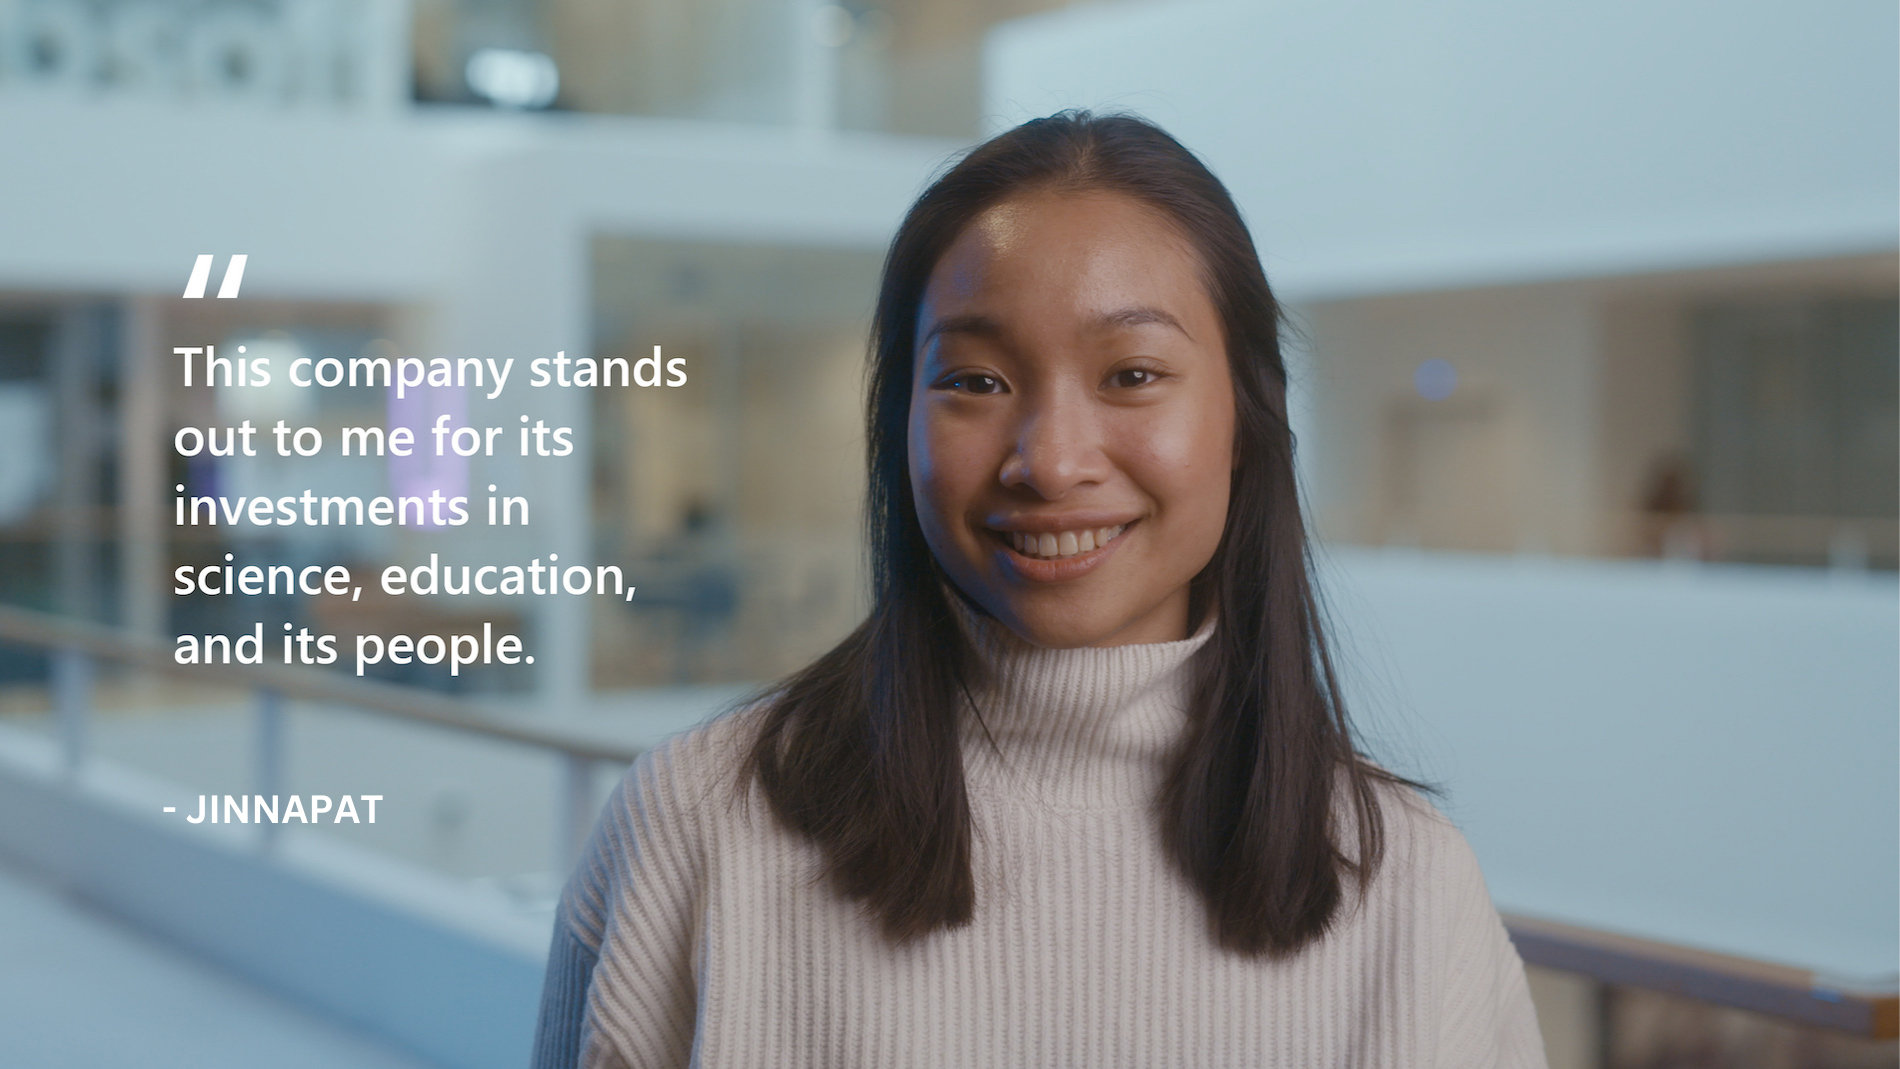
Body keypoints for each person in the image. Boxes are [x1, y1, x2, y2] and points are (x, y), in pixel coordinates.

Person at [531, 111, 1548, 1068]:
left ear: (1245, 420)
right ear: (899, 428)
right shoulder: (696, 825)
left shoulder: (1407, 887)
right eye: (975, 381)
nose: (1052, 461)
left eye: (1132, 374)